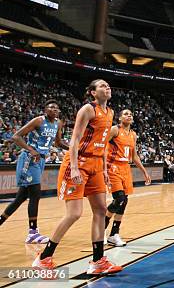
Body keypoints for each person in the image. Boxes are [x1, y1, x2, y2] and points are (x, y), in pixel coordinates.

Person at [32, 79, 123, 275]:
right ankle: (43, 258)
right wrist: (73, 168)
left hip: (97, 165)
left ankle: (98, 261)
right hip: (78, 163)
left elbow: (103, 143)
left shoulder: (111, 113)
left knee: (100, 210)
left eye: (108, 85)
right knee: (74, 213)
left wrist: (105, 170)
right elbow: (74, 141)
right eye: (102, 86)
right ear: (92, 93)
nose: (107, 88)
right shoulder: (88, 110)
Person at [0, 100, 68, 243]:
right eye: (50, 107)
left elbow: (58, 143)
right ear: (45, 109)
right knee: (35, 193)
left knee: (20, 198)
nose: (54, 109)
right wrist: (31, 150)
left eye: (56, 108)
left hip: (41, 159)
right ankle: (33, 233)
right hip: (29, 159)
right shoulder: (38, 121)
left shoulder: (58, 123)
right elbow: (16, 136)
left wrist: (74, 148)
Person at [104, 109, 151, 247]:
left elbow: (134, 156)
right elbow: (102, 146)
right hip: (112, 166)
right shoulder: (114, 130)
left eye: (131, 114)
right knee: (119, 198)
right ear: (119, 118)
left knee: (124, 202)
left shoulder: (133, 135)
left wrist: (144, 172)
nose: (129, 116)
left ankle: (114, 234)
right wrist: (102, 167)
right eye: (125, 114)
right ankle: (101, 228)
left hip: (125, 168)